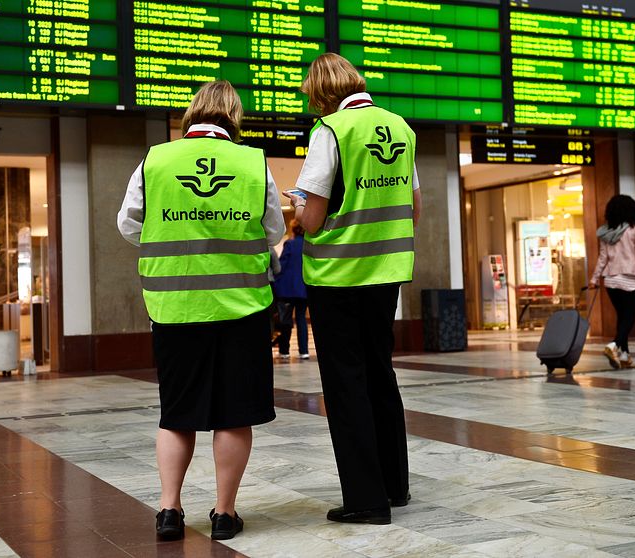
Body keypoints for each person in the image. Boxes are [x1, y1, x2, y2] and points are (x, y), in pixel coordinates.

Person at [116, 80, 285, 541]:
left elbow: (128, 223)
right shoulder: (253, 162)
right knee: (233, 413)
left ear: (192, 115)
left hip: (175, 307)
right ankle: (224, 514)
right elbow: (273, 229)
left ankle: (169, 511)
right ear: (233, 115)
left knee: (177, 412)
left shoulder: (155, 159)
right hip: (241, 308)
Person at [284, 53, 420, 525]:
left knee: (346, 384)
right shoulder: (400, 127)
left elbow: (314, 220)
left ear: (322, 94)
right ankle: (394, 485)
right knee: (381, 374)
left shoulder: (331, 131)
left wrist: (300, 206)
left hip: (340, 277)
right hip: (387, 273)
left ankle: (366, 500)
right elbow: (414, 209)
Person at [589, 195, 635, 369]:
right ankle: (614, 345)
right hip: (628, 278)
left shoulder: (606, 231)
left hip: (611, 280)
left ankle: (625, 356)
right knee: (629, 318)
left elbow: (603, 258)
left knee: (622, 318)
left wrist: (594, 278)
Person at [273, 220, 310, 359]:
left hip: (287, 289)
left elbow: (281, 266)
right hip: (303, 289)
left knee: (286, 320)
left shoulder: (290, 244)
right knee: (301, 319)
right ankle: (304, 351)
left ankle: (284, 351)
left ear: (293, 229)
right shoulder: (308, 245)